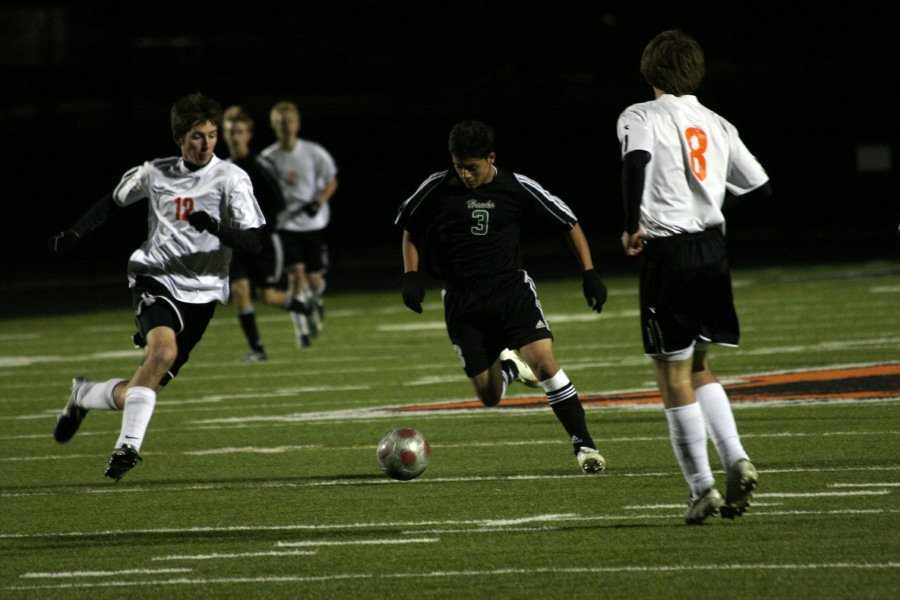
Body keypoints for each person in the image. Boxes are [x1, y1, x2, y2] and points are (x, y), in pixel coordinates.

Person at [47, 92, 265, 481]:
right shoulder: (155, 172)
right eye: (197, 136)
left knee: (142, 386)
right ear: (179, 137)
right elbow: (113, 201)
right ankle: (127, 447)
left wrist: (215, 226)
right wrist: (76, 233)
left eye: (212, 135)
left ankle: (83, 395)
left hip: (203, 294)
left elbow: (254, 243)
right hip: (155, 276)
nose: (206, 144)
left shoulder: (232, 178)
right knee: (162, 352)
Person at [616, 30, 772, 523]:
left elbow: (636, 160)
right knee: (700, 367)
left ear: (649, 70)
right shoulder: (717, 122)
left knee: (672, 375)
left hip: (671, 253)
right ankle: (736, 459)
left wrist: (630, 225)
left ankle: (702, 487)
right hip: (712, 250)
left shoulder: (640, 114)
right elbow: (760, 187)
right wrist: (710, 196)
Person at [395, 120, 609, 475]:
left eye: (472, 167)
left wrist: (589, 273)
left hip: (511, 292)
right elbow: (410, 229)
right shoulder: (437, 187)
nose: (464, 174)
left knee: (544, 363)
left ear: (491, 158)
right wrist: (411, 276)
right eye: (458, 166)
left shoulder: (517, 186)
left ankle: (584, 445)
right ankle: (509, 366)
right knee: (489, 397)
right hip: (462, 301)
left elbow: (568, 222)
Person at [222, 105, 304, 362]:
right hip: (236, 242)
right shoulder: (221, 169)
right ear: (225, 135)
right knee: (240, 291)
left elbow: (278, 201)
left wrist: (258, 224)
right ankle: (257, 349)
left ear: (248, 135)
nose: (235, 137)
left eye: (240, 131)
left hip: (261, 240)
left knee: (267, 296)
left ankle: (303, 307)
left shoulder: (259, 164)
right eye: (230, 132)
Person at [261, 101, 338, 348]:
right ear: (274, 126)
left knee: (315, 280)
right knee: (295, 277)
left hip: (313, 224)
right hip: (286, 227)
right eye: (280, 123)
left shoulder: (314, 152)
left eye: (289, 122)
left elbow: (331, 181)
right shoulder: (267, 158)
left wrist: (319, 201)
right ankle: (301, 332)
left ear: (297, 124)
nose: (286, 127)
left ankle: (315, 301)